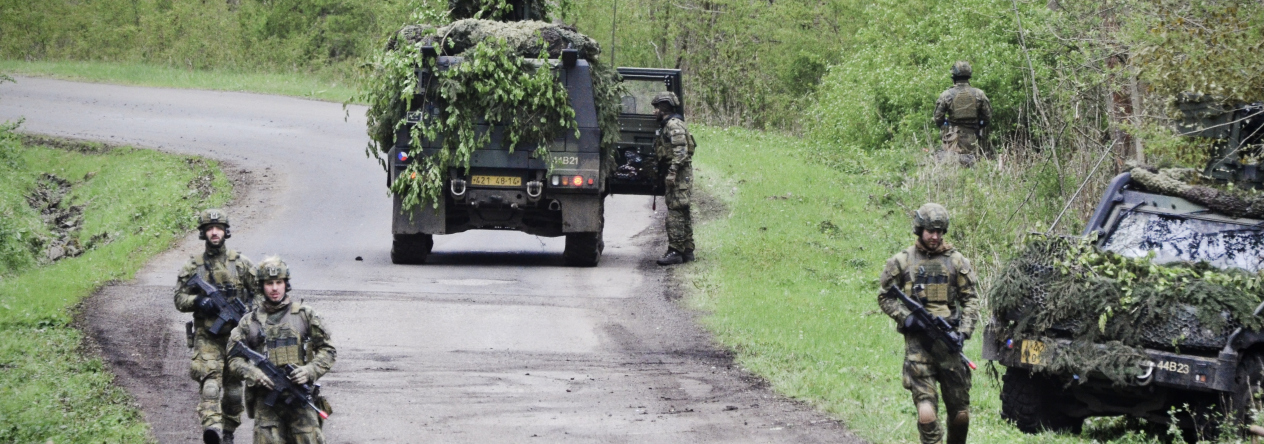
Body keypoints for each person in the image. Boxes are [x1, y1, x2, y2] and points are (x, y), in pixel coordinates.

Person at [877, 203, 980, 444]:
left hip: (949, 346)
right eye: (930, 231)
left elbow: (971, 300)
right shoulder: (902, 261)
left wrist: (963, 332)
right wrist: (906, 317)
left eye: (939, 231)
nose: (935, 237)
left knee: (961, 416)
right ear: (919, 229)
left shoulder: (956, 262)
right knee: (926, 414)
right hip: (919, 348)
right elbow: (884, 296)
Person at [229, 257, 336, 444]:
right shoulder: (249, 322)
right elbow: (233, 358)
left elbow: (328, 349)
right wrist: (253, 373)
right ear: (261, 286)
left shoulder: (304, 315)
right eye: (269, 283)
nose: (275, 288)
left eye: (279, 282)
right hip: (266, 403)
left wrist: (310, 371)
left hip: (300, 400)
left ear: (286, 284)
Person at [174, 209, 258, 444]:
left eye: (218, 228)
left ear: (225, 231)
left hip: (236, 339)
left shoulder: (241, 263)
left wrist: (251, 315)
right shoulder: (194, 266)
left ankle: (228, 433)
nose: (214, 232)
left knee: (233, 394)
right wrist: (199, 301)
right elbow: (179, 299)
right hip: (207, 336)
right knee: (210, 385)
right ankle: (212, 428)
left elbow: (261, 292)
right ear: (203, 233)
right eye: (210, 228)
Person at [651, 91, 697, 266]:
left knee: (675, 212)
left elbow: (681, 150)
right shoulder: (670, 124)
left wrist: (672, 172)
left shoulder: (673, 125)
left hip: (679, 175)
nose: (654, 112)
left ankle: (675, 251)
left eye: (656, 108)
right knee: (682, 210)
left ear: (664, 108)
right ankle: (687, 250)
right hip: (679, 173)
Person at [933, 61, 992, 155]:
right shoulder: (979, 94)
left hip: (952, 138)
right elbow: (987, 117)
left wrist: (946, 125)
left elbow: (937, 118)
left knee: (951, 164)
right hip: (973, 138)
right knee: (971, 164)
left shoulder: (946, 95)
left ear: (954, 77)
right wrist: (978, 125)